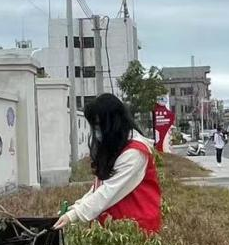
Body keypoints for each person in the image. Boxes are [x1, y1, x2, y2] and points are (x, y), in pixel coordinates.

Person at [55, 93, 162, 235]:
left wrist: (75, 215)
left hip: (136, 229)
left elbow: (109, 191)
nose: (97, 131)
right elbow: (99, 188)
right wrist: (75, 208)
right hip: (118, 227)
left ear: (113, 124)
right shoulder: (117, 147)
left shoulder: (135, 153)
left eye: (99, 125)